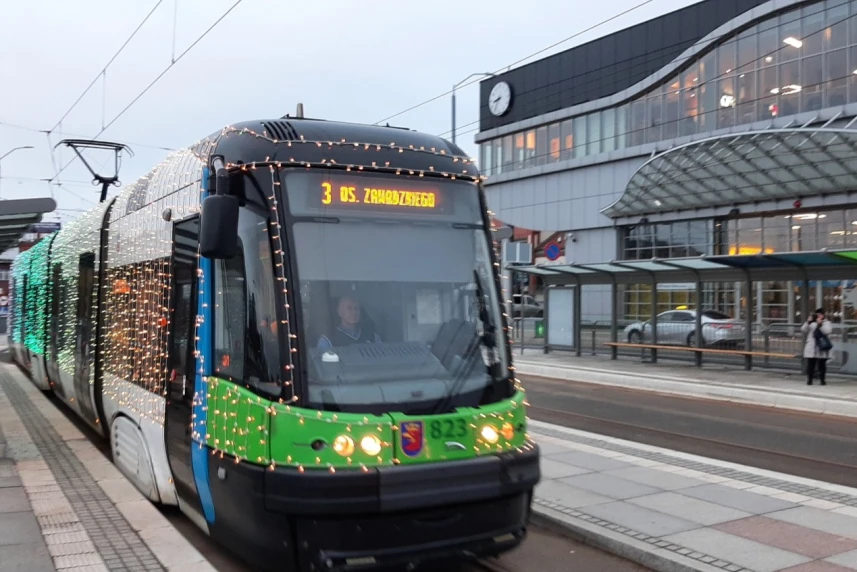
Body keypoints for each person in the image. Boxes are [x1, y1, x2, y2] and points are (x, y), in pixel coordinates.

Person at [317, 295, 381, 349]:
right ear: (339, 312)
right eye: (349, 308)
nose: (354, 312)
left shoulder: (372, 337)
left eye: (356, 308)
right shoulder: (327, 340)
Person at [801, 308, 833, 386]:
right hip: (812, 346)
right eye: (818, 314)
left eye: (821, 314)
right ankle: (809, 380)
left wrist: (820, 324)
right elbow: (803, 330)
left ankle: (822, 380)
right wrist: (808, 322)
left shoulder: (826, 322)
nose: (819, 316)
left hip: (821, 346)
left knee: (822, 365)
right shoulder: (811, 322)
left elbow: (827, 331)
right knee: (811, 364)